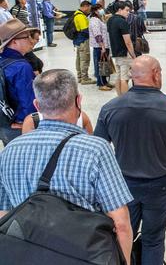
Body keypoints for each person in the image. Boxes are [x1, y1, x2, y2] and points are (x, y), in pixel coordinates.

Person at [0, 69, 133, 261]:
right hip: (83, 254)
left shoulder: (11, 150)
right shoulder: (95, 149)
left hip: (29, 255)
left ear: (37, 105)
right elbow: (120, 221)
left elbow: (4, 213)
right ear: (79, 101)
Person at [95, 55, 166, 265]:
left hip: (122, 185)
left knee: (122, 234)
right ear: (156, 74)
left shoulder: (110, 108)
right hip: (161, 185)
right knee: (153, 239)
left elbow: (97, 148)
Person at [0, 19, 38, 144]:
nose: (31, 40)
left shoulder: (3, 60)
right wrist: (28, 122)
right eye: (26, 37)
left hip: (4, 121)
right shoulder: (21, 67)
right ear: (14, 41)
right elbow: (27, 101)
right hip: (19, 125)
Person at [107, 1, 136, 96]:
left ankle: (119, 98)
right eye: (127, 10)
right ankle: (125, 101)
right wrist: (134, 56)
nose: (128, 12)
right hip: (124, 53)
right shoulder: (122, 22)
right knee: (125, 78)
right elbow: (128, 42)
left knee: (118, 77)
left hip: (116, 52)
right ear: (120, 10)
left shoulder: (110, 20)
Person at [89, 4, 113, 91]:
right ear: (95, 11)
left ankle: (105, 82)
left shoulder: (99, 19)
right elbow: (97, 34)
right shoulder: (94, 20)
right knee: (100, 65)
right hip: (99, 47)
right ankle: (101, 84)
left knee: (104, 65)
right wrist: (102, 46)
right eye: (100, 9)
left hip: (104, 46)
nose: (102, 10)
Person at [72, 0, 95, 85]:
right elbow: (85, 30)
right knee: (84, 59)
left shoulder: (76, 14)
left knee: (79, 59)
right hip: (83, 41)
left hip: (77, 41)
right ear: (85, 6)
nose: (89, 10)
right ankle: (84, 78)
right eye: (89, 8)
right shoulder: (80, 16)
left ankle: (80, 77)